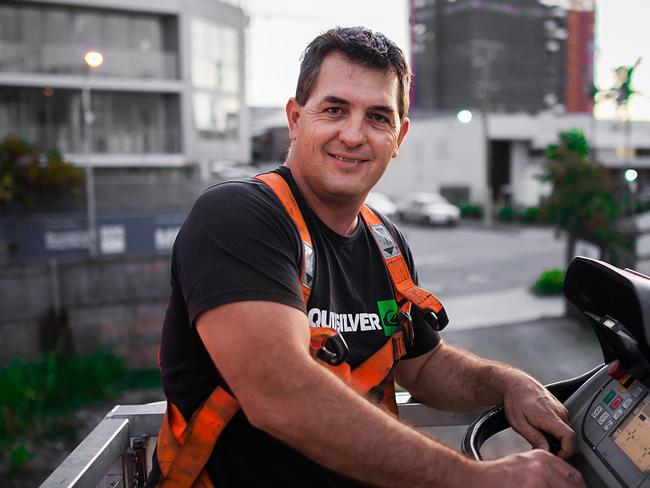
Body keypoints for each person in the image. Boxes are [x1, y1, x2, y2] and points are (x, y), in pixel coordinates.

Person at [152, 27, 585, 487]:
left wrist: (506, 382)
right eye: (335, 109)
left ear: (399, 137)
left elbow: (422, 363)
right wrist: (476, 480)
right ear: (295, 119)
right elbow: (279, 393)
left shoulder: (385, 241)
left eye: (378, 117)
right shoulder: (238, 215)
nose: (354, 134)